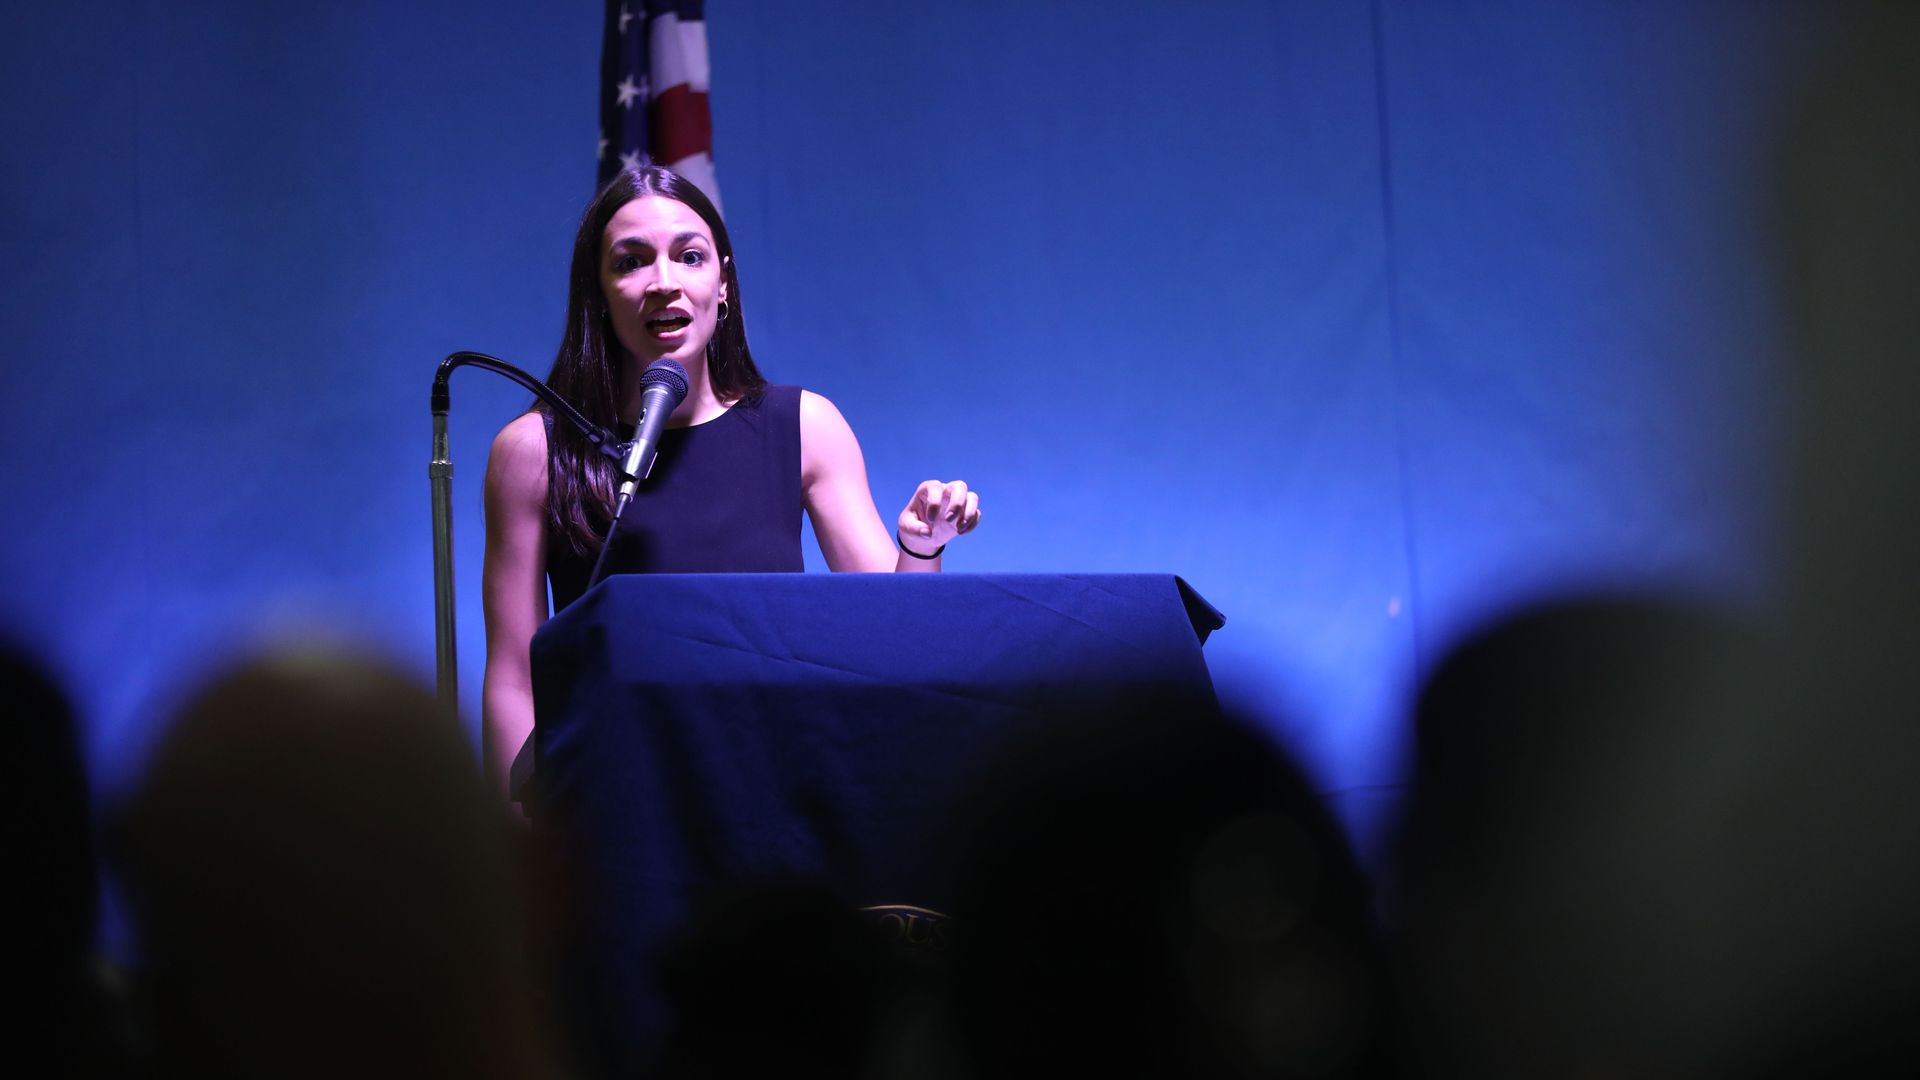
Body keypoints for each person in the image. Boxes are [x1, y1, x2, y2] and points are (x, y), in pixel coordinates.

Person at [481, 165, 982, 801]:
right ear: (599, 292)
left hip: (780, 784)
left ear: (722, 283)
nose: (664, 283)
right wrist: (518, 849)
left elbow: (894, 637)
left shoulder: (804, 426)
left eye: (689, 257)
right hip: (614, 798)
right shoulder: (534, 450)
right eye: (631, 262)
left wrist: (920, 547)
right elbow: (514, 679)